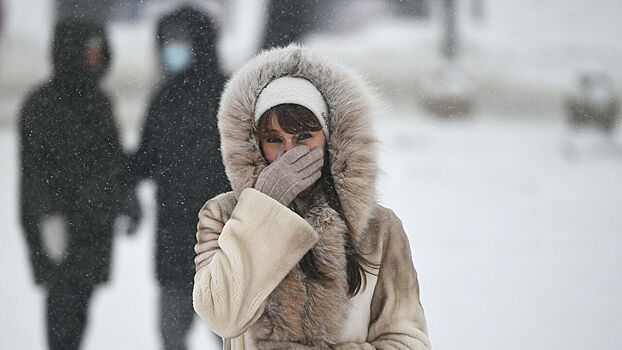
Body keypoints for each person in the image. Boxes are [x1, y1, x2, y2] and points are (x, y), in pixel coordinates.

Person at [193, 44, 431, 349]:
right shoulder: (223, 216)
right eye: (274, 139)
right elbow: (222, 316)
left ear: (331, 139)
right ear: (255, 145)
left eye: (305, 136)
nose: (290, 152)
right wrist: (264, 208)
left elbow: (407, 339)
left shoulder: (380, 229)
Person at [18, 18, 131, 350]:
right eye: (89, 53)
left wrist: (126, 198)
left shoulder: (99, 101)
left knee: (80, 309)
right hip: (58, 230)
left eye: (99, 53)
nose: (95, 60)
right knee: (62, 311)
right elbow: (33, 171)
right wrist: (47, 217)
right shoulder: (42, 104)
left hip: (94, 227)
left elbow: (113, 159)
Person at [129, 6, 229, 350]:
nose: (172, 47)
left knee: (232, 336)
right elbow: (144, 159)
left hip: (223, 244)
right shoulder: (164, 97)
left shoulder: (229, 95)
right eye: (167, 40)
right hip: (175, 244)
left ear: (200, 42)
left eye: (180, 40)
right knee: (172, 336)